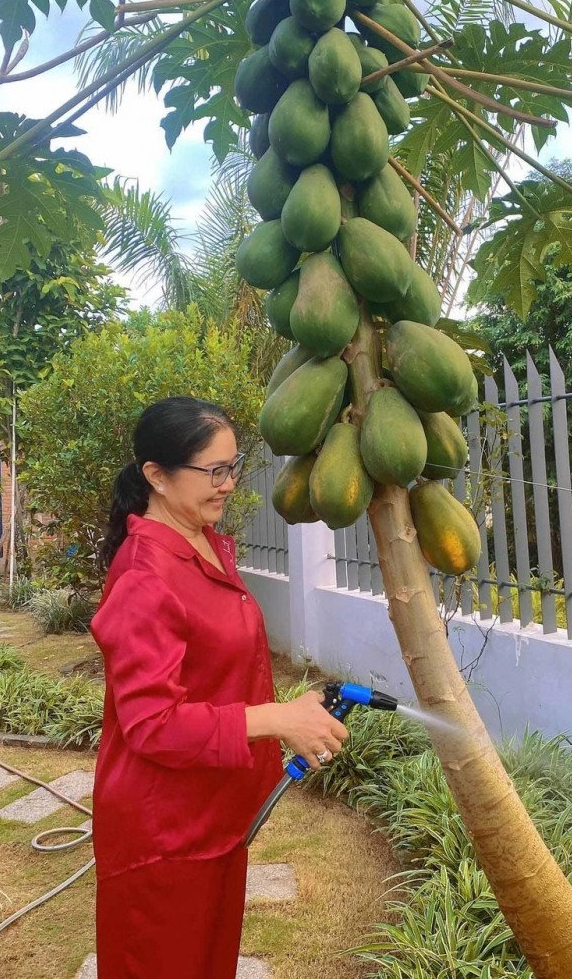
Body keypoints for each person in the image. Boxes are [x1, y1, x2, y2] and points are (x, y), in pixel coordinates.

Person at [90, 396, 348, 979]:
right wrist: (277, 720)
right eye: (213, 471)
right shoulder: (145, 576)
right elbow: (152, 723)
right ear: (155, 475)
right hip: (164, 831)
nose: (229, 484)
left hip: (214, 814)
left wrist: (291, 712)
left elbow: (221, 667)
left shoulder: (205, 543)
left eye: (233, 467)